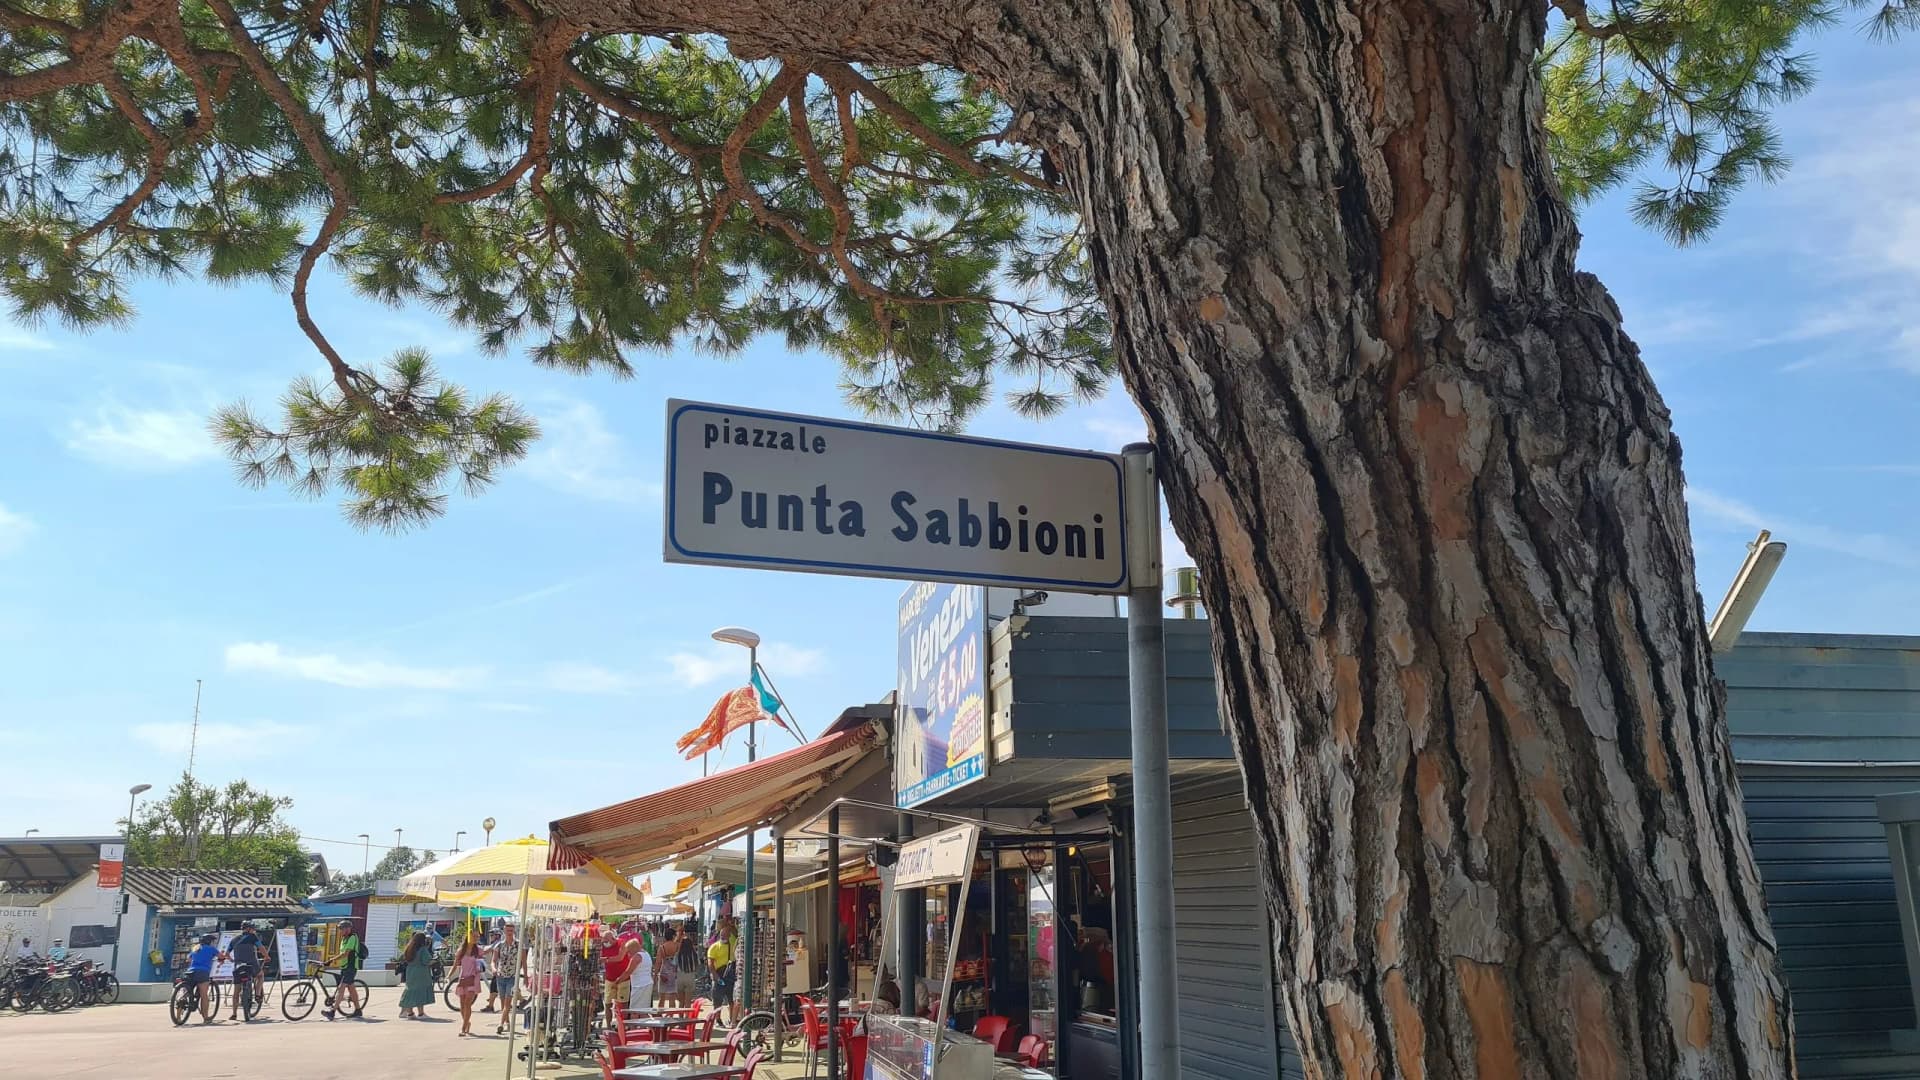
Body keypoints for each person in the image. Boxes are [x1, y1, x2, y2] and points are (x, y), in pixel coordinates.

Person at [321, 919, 363, 1020]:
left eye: (342, 929)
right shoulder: (344, 939)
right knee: (351, 988)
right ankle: (358, 1010)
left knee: (341, 988)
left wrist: (331, 960)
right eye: (340, 929)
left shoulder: (352, 937)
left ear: (348, 929)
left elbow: (345, 954)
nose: (340, 931)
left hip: (351, 967)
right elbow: (342, 953)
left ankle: (332, 1012)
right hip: (345, 967)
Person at [602, 922, 639, 1032]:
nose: (605, 943)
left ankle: (622, 1026)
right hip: (609, 978)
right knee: (608, 1003)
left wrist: (606, 959)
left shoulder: (622, 943)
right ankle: (609, 1026)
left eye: (607, 941)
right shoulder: (603, 946)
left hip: (623, 978)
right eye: (604, 941)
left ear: (613, 938)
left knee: (623, 1004)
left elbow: (620, 957)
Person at [488, 925, 523, 1036]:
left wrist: (525, 975)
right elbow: (493, 960)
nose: (509, 932)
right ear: (504, 931)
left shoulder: (518, 945)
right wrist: (493, 969)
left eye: (511, 930)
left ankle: (501, 1024)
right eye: (507, 930)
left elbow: (523, 961)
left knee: (508, 1003)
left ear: (514, 931)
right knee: (503, 1003)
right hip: (500, 976)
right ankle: (507, 1022)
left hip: (512, 977)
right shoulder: (499, 945)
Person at [183, 932, 223, 1024]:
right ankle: (206, 1017)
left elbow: (188, 959)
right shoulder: (211, 949)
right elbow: (221, 956)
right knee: (204, 995)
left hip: (190, 972)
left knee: (186, 993)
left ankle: (178, 1017)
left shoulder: (195, 948)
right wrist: (221, 959)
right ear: (209, 942)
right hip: (203, 972)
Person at [226, 924, 264, 1022]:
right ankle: (258, 995)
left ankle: (234, 1014)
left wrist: (232, 960)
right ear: (248, 929)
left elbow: (227, 954)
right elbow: (261, 948)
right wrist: (267, 956)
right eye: (253, 929)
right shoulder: (252, 937)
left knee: (236, 990)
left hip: (238, 965)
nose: (254, 931)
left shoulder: (234, 940)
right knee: (260, 975)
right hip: (251, 964)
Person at [398, 932, 435, 1019]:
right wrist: (434, 961)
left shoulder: (409, 948)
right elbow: (426, 961)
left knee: (411, 991)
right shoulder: (422, 949)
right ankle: (421, 1013)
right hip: (421, 972)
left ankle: (410, 1013)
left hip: (410, 971)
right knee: (420, 992)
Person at [452, 936, 484, 1036]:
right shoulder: (461, 950)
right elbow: (455, 964)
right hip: (463, 978)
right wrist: (448, 976)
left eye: (476, 937)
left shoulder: (478, 950)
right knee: (462, 1004)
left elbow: (482, 963)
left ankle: (463, 1028)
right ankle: (467, 1022)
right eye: (473, 936)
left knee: (467, 1003)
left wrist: (480, 966)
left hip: (474, 978)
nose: (475, 938)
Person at [707, 926, 735, 1024]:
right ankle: (718, 1019)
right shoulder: (714, 947)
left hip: (731, 975)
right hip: (719, 974)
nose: (723, 937)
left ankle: (732, 1019)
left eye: (725, 935)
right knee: (717, 999)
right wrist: (715, 976)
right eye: (721, 935)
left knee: (732, 999)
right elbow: (710, 963)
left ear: (729, 936)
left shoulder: (733, 944)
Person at [654, 925, 684, 1008]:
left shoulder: (662, 947)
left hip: (664, 973)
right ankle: (671, 1016)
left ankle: (660, 1015)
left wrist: (655, 974)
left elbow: (658, 962)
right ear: (673, 936)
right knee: (672, 997)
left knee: (661, 997)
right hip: (674, 973)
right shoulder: (677, 946)